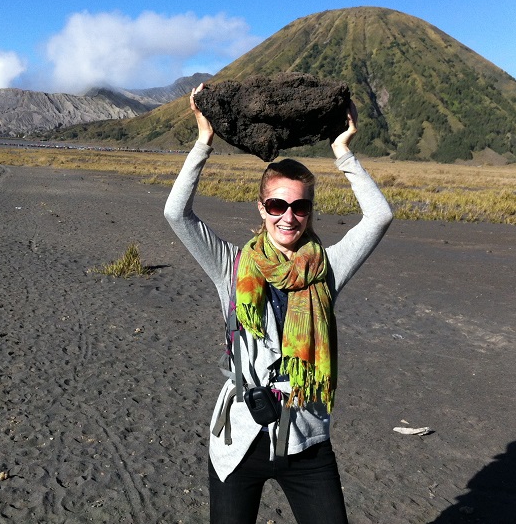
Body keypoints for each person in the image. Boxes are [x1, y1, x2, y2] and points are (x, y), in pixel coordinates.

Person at [164, 82, 393, 524]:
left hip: (306, 437)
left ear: (310, 210)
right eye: (276, 204)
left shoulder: (327, 266)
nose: (288, 216)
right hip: (239, 438)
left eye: (300, 206)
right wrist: (202, 143)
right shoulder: (231, 265)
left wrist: (343, 152)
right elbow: (177, 214)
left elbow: (379, 216)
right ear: (261, 208)